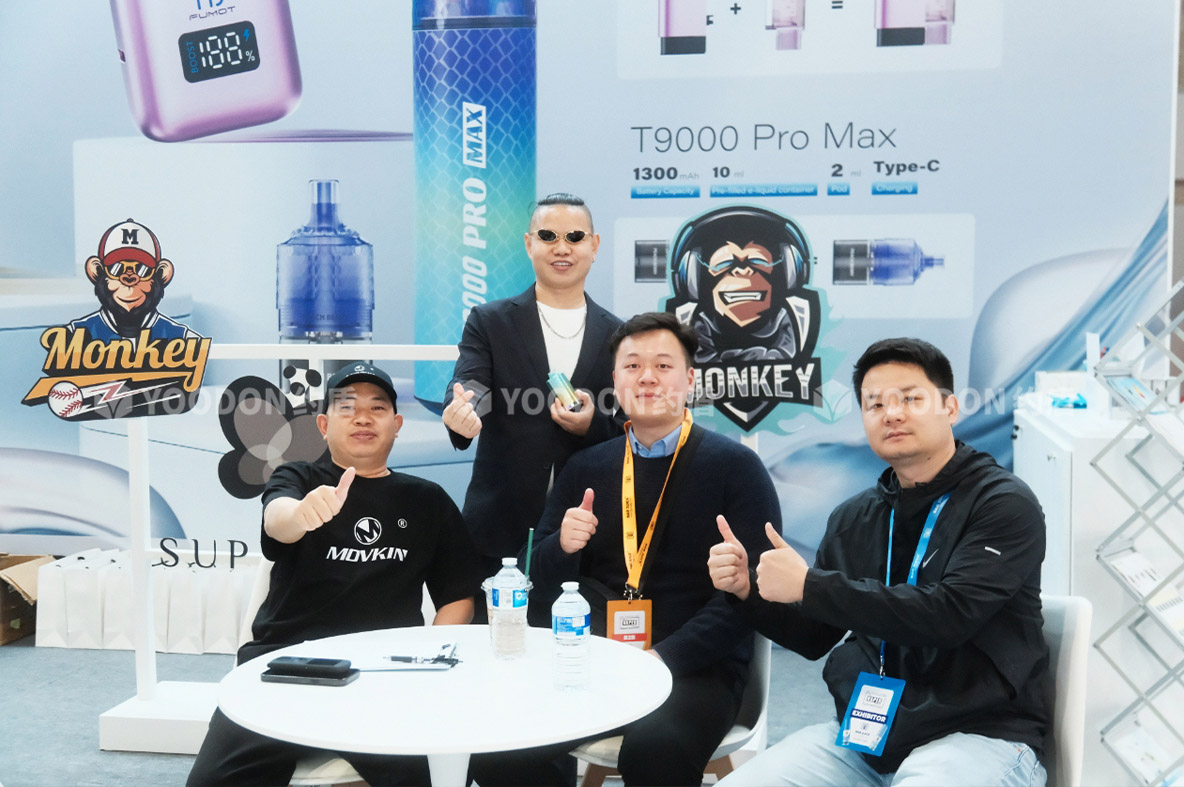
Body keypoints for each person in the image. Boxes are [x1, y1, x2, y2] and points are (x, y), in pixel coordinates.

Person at [708, 338, 1050, 787]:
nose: (891, 414)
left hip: (980, 734)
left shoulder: (1002, 504)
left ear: (950, 408)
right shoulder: (855, 516)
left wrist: (811, 585)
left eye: (910, 399)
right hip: (868, 740)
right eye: (875, 404)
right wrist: (746, 591)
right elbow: (813, 636)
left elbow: (949, 615)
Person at [188, 362, 482, 786]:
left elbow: (458, 596)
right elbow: (277, 519)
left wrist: (428, 659)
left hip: (386, 676)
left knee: (438, 774)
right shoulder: (299, 477)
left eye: (377, 408)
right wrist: (301, 514)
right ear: (324, 426)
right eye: (347, 407)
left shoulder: (427, 500)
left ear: (397, 425)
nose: (363, 417)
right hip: (286, 666)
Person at [522, 312, 781, 786]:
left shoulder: (737, 468)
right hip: (595, 660)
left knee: (656, 750)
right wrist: (562, 546)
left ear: (690, 380)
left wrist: (663, 658)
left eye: (663, 365)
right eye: (633, 365)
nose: (647, 377)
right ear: (615, 381)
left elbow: (755, 597)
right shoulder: (584, 468)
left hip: (695, 667)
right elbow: (537, 583)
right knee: (503, 748)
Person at [442, 192, 623, 591]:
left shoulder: (619, 334)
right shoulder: (490, 321)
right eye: (548, 236)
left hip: (588, 531)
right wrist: (463, 414)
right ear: (529, 244)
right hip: (499, 530)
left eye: (575, 237)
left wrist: (592, 425)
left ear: (594, 246)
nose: (562, 248)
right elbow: (470, 385)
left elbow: (631, 429)